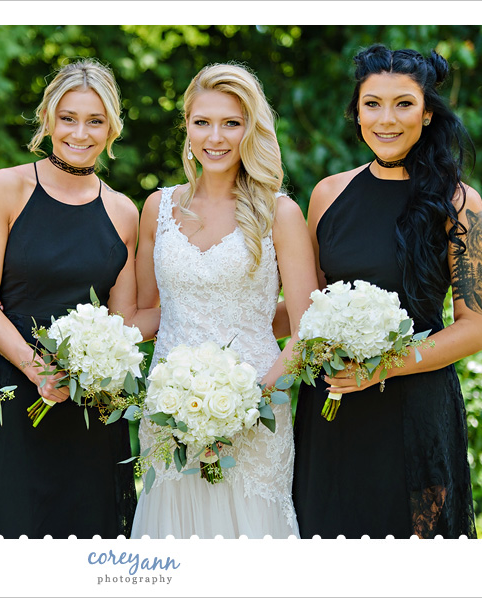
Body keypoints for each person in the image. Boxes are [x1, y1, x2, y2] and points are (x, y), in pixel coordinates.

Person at [291, 44, 482, 539]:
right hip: (332, 404)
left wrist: (381, 368)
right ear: (356, 113)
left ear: (426, 114)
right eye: (372, 104)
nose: (387, 119)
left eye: (404, 104)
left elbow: (476, 328)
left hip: (416, 409)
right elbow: (307, 304)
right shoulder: (327, 193)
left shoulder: (459, 203)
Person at [130, 63, 318, 539]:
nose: (215, 137)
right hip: (169, 411)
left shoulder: (280, 213)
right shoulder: (158, 208)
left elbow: (307, 331)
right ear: (187, 126)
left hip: (256, 412)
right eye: (203, 122)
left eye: (231, 123)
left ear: (250, 130)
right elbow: (146, 314)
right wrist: (85, 351)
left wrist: (248, 403)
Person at [0, 59, 147, 539]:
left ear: (111, 128)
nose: (80, 133)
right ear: (47, 119)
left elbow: (123, 320)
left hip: (91, 411)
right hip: (15, 393)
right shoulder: (5, 188)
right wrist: (34, 368)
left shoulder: (123, 212)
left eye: (95, 121)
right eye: (68, 118)